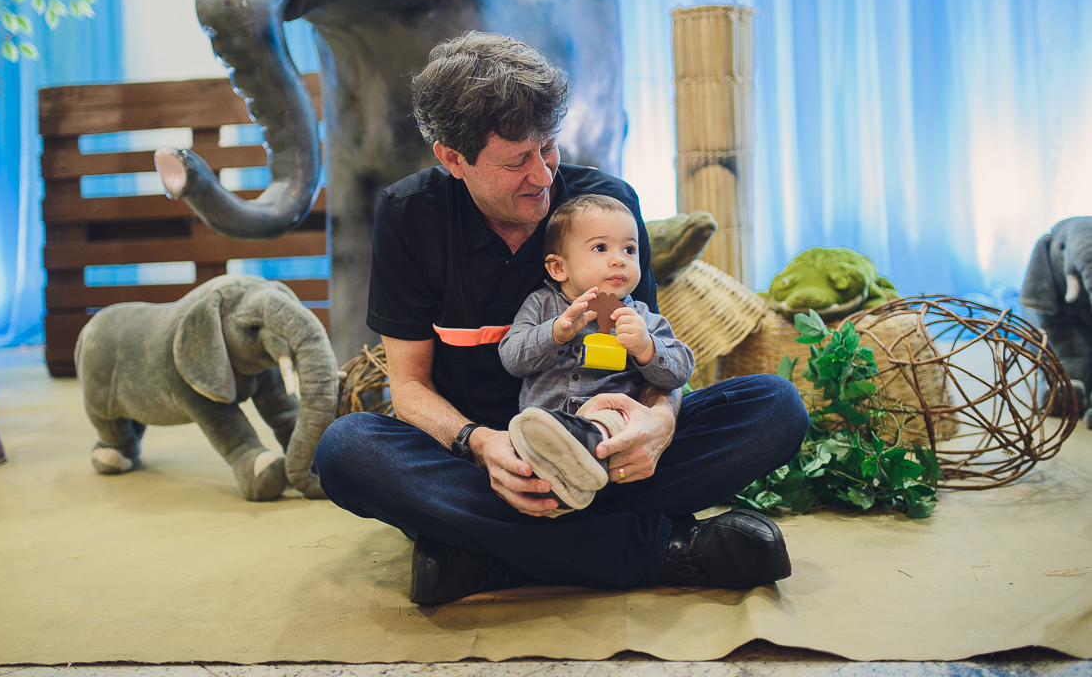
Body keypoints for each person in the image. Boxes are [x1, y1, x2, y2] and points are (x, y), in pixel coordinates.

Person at [314, 31, 809, 606]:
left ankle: (483, 557)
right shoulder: (409, 216)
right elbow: (409, 386)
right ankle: (663, 552)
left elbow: (654, 361)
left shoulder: (606, 207)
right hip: (488, 465)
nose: (544, 175)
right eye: (516, 160)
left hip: (606, 450)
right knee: (346, 449)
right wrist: (482, 446)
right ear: (453, 158)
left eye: (548, 147)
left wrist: (657, 428)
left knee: (776, 407)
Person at [500, 193, 696, 516]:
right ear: (558, 267)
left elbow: (679, 371)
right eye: (601, 248)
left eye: (629, 249)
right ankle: (563, 492)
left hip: (615, 435)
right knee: (530, 447)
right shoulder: (541, 306)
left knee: (611, 415)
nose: (619, 259)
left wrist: (647, 349)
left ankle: (590, 445)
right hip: (546, 429)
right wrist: (554, 334)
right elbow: (511, 357)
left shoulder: (641, 317)